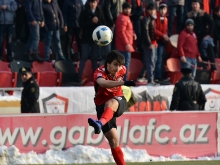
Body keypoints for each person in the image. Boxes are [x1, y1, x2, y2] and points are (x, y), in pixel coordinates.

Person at [88, 50, 136, 165]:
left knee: (111, 103)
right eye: (115, 64)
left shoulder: (122, 70)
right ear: (107, 64)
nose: (118, 68)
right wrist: (122, 83)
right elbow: (103, 83)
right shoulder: (99, 72)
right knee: (113, 140)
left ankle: (99, 123)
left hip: (119, 100)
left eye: (120, 65)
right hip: (101, 107)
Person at [77, 0, 105, 84]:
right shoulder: (84, 11)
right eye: (91, 2)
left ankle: (95, 77)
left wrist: (98, 22)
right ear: (89, 3)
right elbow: (81, 23)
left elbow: (103, 23)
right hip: (86, 38)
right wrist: (91, 21)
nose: (93, 4)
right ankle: (79, 77)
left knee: (94, 58)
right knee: (84, 57)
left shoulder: (99, 11)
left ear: (97, 3)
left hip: (95, 38)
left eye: (94, 2)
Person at [184, 0, 216, 71]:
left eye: (196, 4)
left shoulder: (203, 14)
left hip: (203, 36)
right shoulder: (189, 15)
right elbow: (183, 25)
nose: (194, 6)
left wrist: (209, 34)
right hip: (192, 37)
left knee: (209, 46)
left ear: (199, 5)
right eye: (193, 4)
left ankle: (213, 65)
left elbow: (212, 23)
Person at [137, 2, 159, 86]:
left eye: (154, 9)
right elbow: (145, 32)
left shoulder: (151, 19)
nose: (153, 11)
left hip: (152, 42)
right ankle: (150, 80)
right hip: (148, 43)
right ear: (148, 10)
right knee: (150, 61)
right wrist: (149, 43)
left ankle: (142, 75)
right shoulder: (146, 19)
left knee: (149, 61)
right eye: (151, 10)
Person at [115, 2, 136, 81]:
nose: (128, 10)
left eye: (129, 8)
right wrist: (126, 43)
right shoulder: (122, 18)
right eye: (126, 9)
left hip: (126, 45)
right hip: (123, 46)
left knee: (125, 65)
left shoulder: (127, 18)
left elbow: (127, 30)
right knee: (124, 65)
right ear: (123, 9)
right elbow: (121, 32)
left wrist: (133, 34)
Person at [154, 3, 169, 82]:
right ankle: (157, 76)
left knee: (161, 59)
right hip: (157, 40)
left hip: (163, 41)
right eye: (161, 9)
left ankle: (160, 75)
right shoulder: (155, 17)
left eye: (164, 9)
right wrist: (163, 35)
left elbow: (165, 30)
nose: (163, 11)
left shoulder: (166, 19)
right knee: (158, 59)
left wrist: (165, 36)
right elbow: (154, 29)